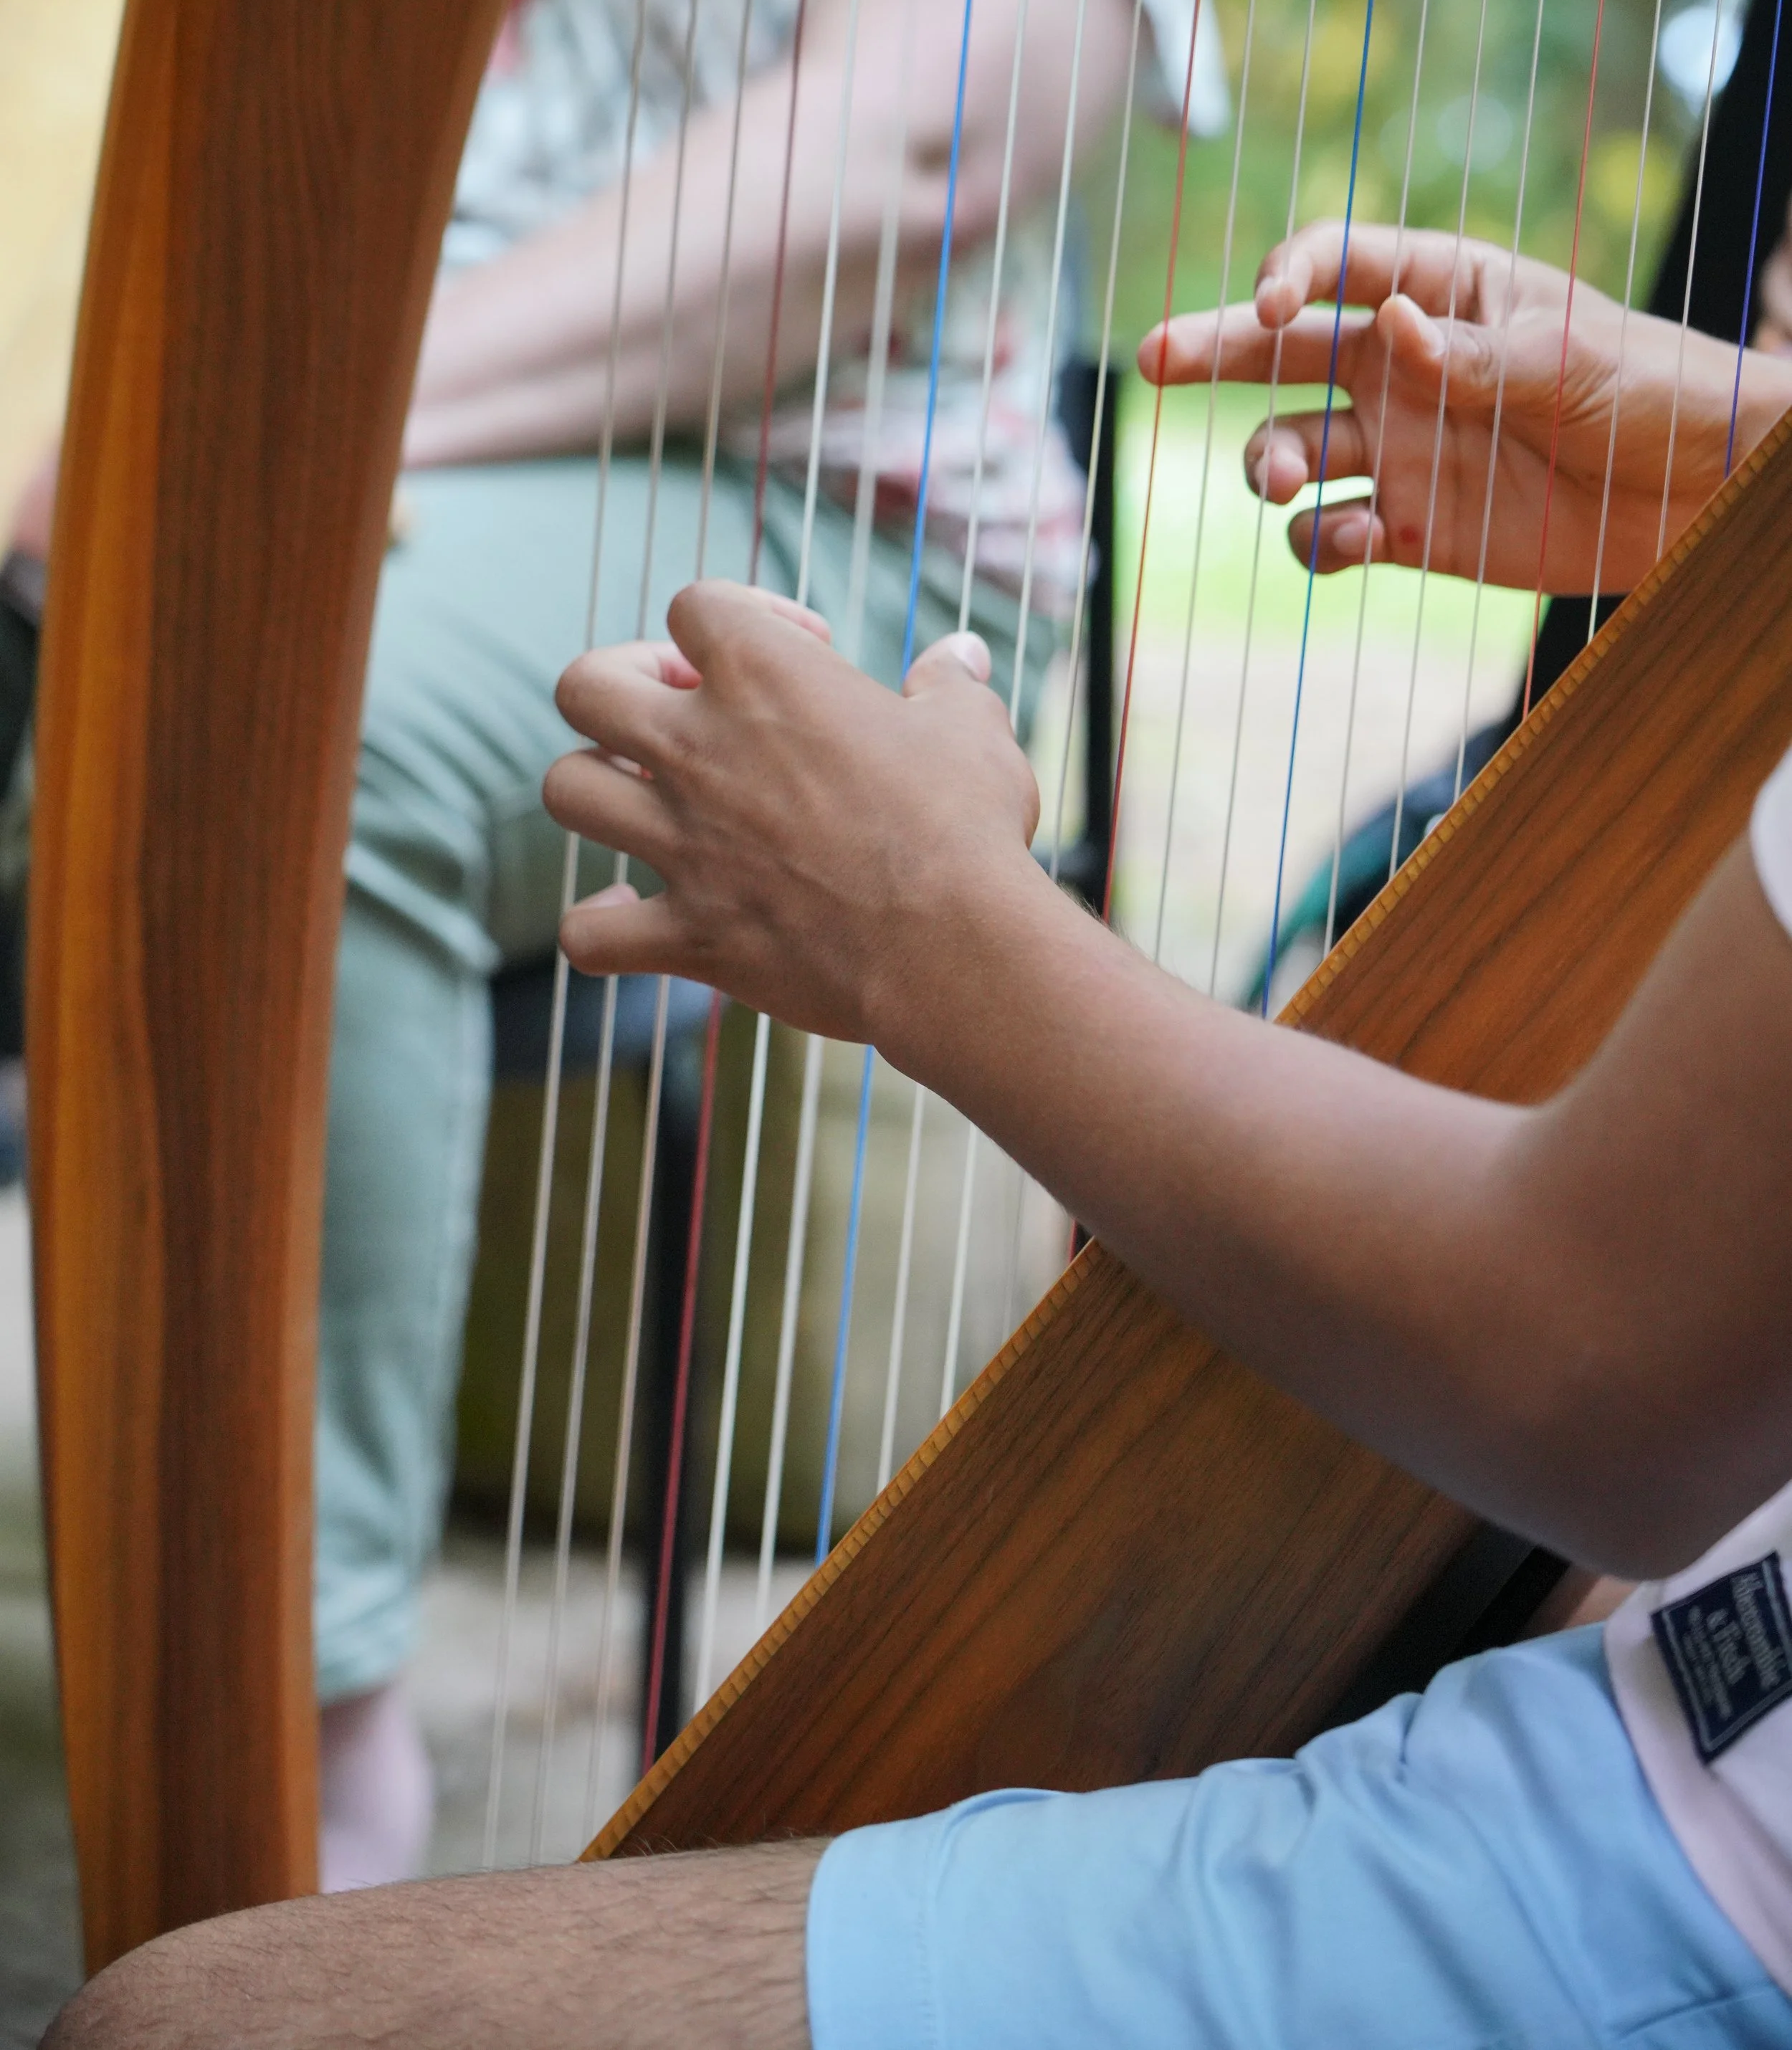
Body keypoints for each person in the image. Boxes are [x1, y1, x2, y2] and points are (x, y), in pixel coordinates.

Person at [45, 223, 1792, 2046]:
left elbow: (1589, 1365)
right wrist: (1747, 467)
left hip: (1703, 1841)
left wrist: (921, 925)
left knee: (182, 2022)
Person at [0, 0, 1217, 1887]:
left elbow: (896, 151)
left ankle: (316, 1726)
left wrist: (257, 432)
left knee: (274, 684)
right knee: (179, 620)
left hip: (827, 522)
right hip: (452, 444)